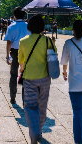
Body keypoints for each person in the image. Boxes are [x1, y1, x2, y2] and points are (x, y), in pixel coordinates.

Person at [19, 15, 56, 144]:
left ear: (29, 26)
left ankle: (34, 131)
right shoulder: (48, 41)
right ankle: (39, 130)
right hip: (45, 78)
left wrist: (22, 69)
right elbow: (53, 57)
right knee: (42, 105)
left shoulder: (23, 41)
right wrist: (53, 43)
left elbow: (21, 62)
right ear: (42, 27)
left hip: (29, 78)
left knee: (30, 106)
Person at [4, 7, 29, 105]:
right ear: (24, 15)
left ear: (14, 16)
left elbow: (9, 42)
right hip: (27, 53)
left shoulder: (11, 26)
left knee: (13, 75)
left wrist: (7, 56)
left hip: (15, 52)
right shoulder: (28, 26)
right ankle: (25, 99)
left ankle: (13, 97)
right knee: (26, 76)